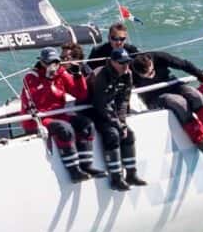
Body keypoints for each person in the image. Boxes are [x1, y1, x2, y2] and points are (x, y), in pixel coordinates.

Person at [20, 47, 103, 182]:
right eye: (49, 62)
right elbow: (35, 103)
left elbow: (81, 94)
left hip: (58, 114)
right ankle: (74, 171)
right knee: (65, 129)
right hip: (39, 119)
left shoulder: (61, 73)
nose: (53, 66)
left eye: (56, 62)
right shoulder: (31, 77)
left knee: (86, 124)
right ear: (42, 62)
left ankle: (86, 165)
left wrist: (78, 76)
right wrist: (48, 80)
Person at [131, 51, 203, 156]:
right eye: (146, 76)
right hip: (153, 97)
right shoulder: (130, 71)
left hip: (172, 85)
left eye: (152, 72)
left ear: (151, 62)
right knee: (179, 103)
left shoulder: (159, 57)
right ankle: (200, 142)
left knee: (195, 95)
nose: (151, 76)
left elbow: (183, 64)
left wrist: (202, 77)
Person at [92, 47, 147, 191]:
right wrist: (117, 124)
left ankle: (131, 175)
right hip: (93, 111)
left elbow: (123, 101)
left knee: (129, 134)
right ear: (112, 62)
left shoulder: (127, 74)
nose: (125, 65)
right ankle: (116, 179)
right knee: (112, 134)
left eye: (127, 62)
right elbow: (100, 104)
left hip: (111, 111)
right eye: (121, 62)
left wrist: (122, 122)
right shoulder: (101, 76)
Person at [60, 41, 101, 174]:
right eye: (61, 57)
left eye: (66, 58)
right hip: (75, 108)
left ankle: (85, 164)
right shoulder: (61, 72)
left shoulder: (84, 70)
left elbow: (85, 94)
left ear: (76, 59)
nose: (62, 61)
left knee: (86, 125)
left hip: (87, 107)